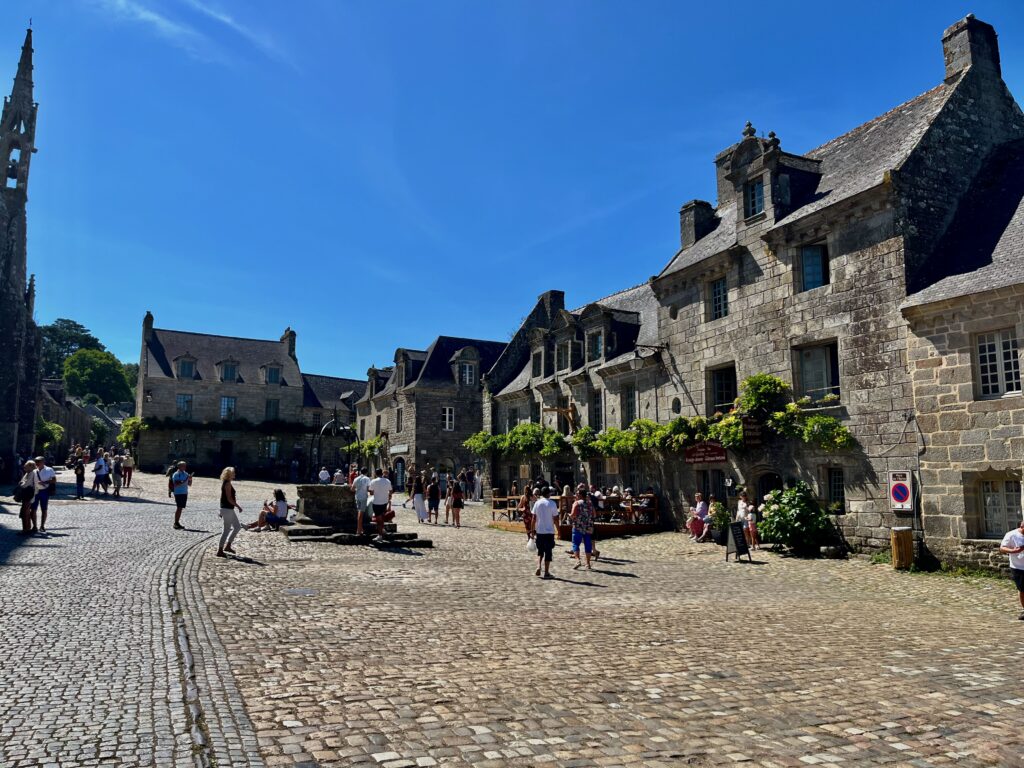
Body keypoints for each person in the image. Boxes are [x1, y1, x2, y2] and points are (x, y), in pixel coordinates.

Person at [530, 486, 560, 579]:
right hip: (549, 531)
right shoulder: (552, 504)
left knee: (540, 551)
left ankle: (539, 566)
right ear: (549, 493)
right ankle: (546, 572)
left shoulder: (537, 503)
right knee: (548, 552)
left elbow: (534, 518)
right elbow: (555, 519)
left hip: (539, 531)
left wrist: (532, 530)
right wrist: (559, 530)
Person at [217, 467, 243, 558]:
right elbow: (229, 498)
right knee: (226, 530)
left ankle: (228, 546)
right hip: (227, 509)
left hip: (227, 509)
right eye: (233, 473)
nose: (234, 474)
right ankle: (220, 550)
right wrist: (238, 506)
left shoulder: (227, 483)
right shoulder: (227, 484)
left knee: (237, 527)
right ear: (229, 474)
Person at [569, 484, 596, 570]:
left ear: (580, 495)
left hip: (577, 526)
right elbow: (594, 514)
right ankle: (588, 563)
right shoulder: (590, 504)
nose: (576, 495)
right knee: (588, 544)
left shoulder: (576, 503)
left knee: (575, 544)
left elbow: (573, 515)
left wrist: (569, 516)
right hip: (588, 527)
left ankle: (578, 560)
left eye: (577, 494)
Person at [30, 456, 56, 533]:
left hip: (44, 491)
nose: (37, 463)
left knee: (44, 509)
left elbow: (54, 480)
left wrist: (44, 482)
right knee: (33, 509)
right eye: (36, 462)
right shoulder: (34, 471)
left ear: (43, 462)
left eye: (38, 462)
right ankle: (34, 526)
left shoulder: (49, 470)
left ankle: (42, 526)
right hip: (35, 492)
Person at [368, 468, 393, 541]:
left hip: (377, 502)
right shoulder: (387, 481)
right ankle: (382, 529)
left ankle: (380, 535)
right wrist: (389, 496)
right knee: (382, 517)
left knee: (378, 520)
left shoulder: (373, 481)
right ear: (382, 473)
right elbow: (391, 490)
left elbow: (371, 493)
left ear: (375, 473)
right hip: (384, 502)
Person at [169, 461, 193, 530]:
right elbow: (176, 484)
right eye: (183, 466)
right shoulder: (176, 474)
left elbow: (189, 484)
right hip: (178, 493)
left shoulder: (186, 474)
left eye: (185, 466)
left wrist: (190, 479)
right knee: (179, 508)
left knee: (180, 508)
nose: (185, 467)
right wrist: (186, 479)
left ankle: (177, 522)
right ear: (179, 466)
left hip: (184, 492)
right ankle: (176, 523)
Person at [16, 459, 37, 534]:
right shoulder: (28, 473)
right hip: (26, 495)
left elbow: (25, 484)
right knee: (25, 512)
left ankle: (26, 529)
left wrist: (21, 484)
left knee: (25, 512)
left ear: (31, 466)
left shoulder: (32, 473)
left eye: (26, 466)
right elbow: (22, 481)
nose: (24, 467)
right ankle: (27, 528)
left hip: (28, 495)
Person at [352, 467, 371, 535]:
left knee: (359, 512)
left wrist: (358, 490)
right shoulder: (367, 479)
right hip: (363, 497)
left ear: (360, 472)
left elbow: (352, 489)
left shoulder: (356, 478)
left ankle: (360, 528)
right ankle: (358, 529)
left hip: (357, 497)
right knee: (361, 513)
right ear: (366, 472)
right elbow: (369, 489)